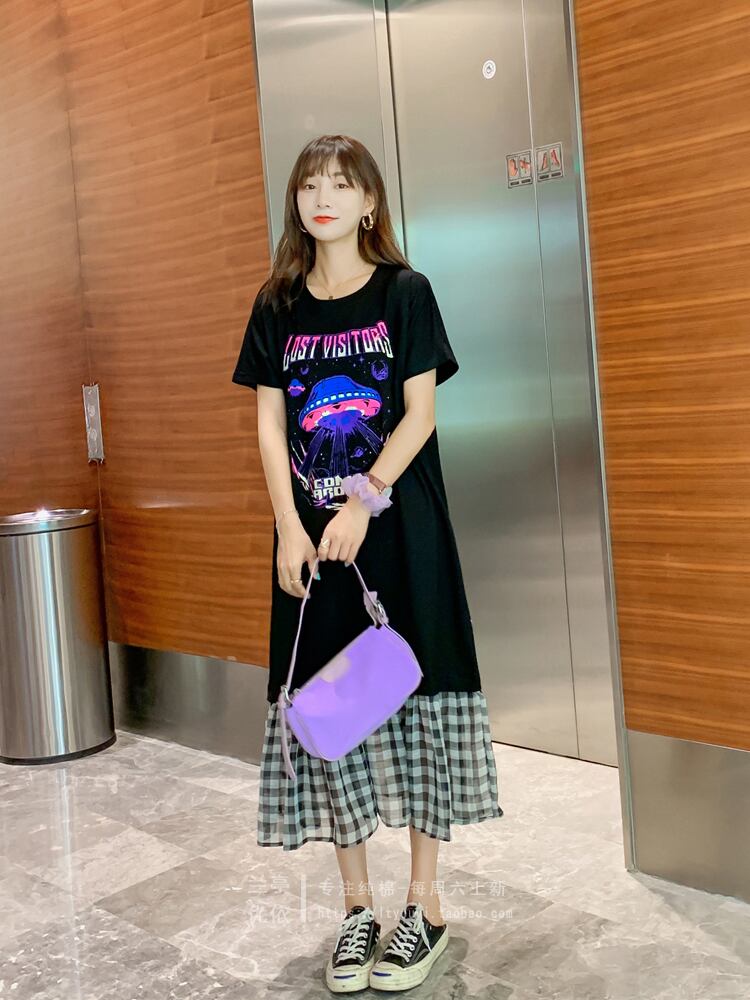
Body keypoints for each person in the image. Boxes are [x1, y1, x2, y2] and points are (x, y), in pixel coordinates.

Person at [232, 133, 503, 994]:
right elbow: (270, 424)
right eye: (311, 184)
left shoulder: (403, 293)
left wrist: (364, 500)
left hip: (399, 533)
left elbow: (419, 414)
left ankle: (424, 903)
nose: (324, 198)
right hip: (313, 547)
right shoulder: (277, 305)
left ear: (369, 203)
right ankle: (357, 908)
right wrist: (289, 526)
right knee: (331, 710)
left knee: (417, 704)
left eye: (342, 185)